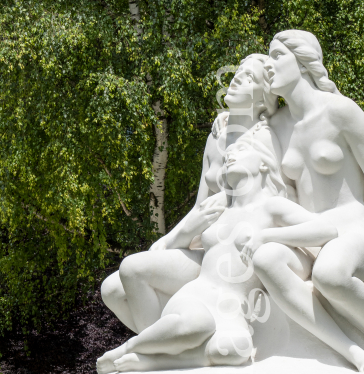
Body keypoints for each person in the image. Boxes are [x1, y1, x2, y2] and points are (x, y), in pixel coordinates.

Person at [97, 125, 364, 374]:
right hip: (198, 294)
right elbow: (160, 252)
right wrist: (186, 229)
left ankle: (149, 361)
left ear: (262, 164)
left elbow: (326, 231)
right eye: (228, 154)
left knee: (235, 350)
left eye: (242, 150)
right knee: (194, 323)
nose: (230, 155)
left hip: (233, 308)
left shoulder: (271, 206)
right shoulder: (217, 210)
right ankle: (133, 349)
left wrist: (266, 236)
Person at [254, 29, 364, 372]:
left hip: (348, 227)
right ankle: (348, 349)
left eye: (277, 56)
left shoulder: (341, 112)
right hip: (306, 232)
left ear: (304, 61)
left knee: (329, 275)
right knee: (265, 258)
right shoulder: (276, 126)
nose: (269, 65)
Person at [99, 54, 278, 336]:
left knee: (133, 269)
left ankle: (155, 356)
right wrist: (174, 238)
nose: (236, 77)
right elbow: (200, 208)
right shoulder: (217, 136)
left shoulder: (266, 137)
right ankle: (168, 344)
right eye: (239, 71)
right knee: (111, 289)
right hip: (200, 244)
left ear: (263, 99)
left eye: (250, 77)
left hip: (226, 257)